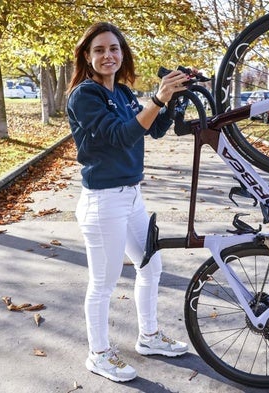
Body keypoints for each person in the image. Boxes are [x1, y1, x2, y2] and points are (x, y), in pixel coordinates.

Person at [66, 22, 190, 383]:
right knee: (103, 283)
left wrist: (173, 101)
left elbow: (153, 128)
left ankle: (149, 337)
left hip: (132, 195)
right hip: (103, 202)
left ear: (123, 54)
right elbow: (121, 136)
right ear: (87, 57)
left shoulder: (122, 92)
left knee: (150, 267)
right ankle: (99, 353)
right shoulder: (83, 96)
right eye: (100, 50)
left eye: (114, 49)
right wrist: (158, 99)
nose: (109, 56)